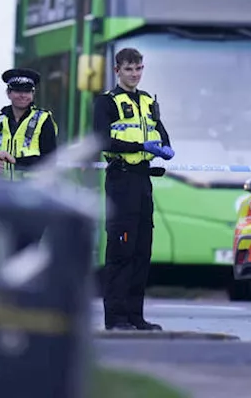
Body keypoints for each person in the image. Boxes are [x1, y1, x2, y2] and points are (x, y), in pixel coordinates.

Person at [94, 47, 174, 331]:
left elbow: (160, 131)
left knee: (142, 250)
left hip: (143, 180)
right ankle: (115, 318)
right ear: (117, 71)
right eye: (128, 69)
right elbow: (102, 141)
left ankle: (135, 316)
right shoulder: (107, 102)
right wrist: (140, 146)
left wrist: (165, 147)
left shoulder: (147, 101)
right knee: (121, 249)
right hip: (121, 180)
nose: (134, 74)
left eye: (138, 68)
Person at [0, 68, 58, 252]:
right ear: (9, 93)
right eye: (18, 90)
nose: (23, 95)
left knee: (27, 252)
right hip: (7, 198)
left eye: (27, 90)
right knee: (8, 254)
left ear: (33, 93)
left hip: (34, 198)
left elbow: (50, 161)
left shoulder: (44, 120)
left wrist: (15, 161)